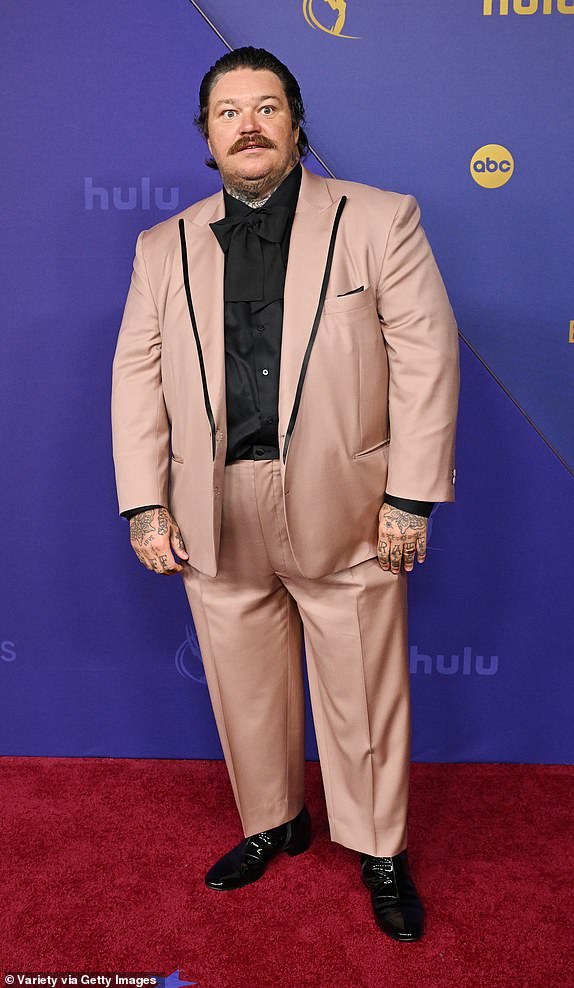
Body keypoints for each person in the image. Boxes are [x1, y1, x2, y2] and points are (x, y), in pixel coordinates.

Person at [111, 46, 459, 943]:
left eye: (267, 106)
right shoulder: (161, 246)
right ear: (208, 136)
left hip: (349, 506)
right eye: (229, 111)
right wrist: (145, 503)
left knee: (364, 690)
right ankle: (273, 822)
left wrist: (410, 498)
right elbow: (136, 380)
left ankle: (381, 850)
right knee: (245, 687)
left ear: (296, 124)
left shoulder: (381, 220)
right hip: (213, 509)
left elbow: (427, 359)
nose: (249, 124)